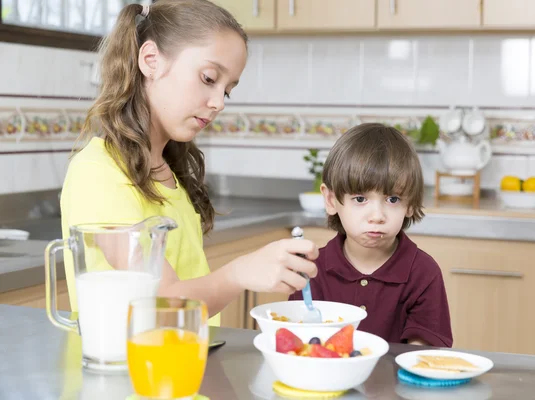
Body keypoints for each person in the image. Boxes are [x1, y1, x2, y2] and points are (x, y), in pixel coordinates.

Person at [60, 0, 318, 326]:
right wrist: (239, 272)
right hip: (130, 372)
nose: (219, 103)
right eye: (209, 78)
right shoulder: (99, 173)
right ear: (150, 60)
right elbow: (161, 305)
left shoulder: (166, 171)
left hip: (181, 364)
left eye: (228, 91)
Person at [290, 123, 452, 347]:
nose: (377, 216)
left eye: (392, 199)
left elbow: (423, 352)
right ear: (330, 200)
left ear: (411, 203)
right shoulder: (311, 270)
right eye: (360, 199)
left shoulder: (424, 273)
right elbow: (297, 341)